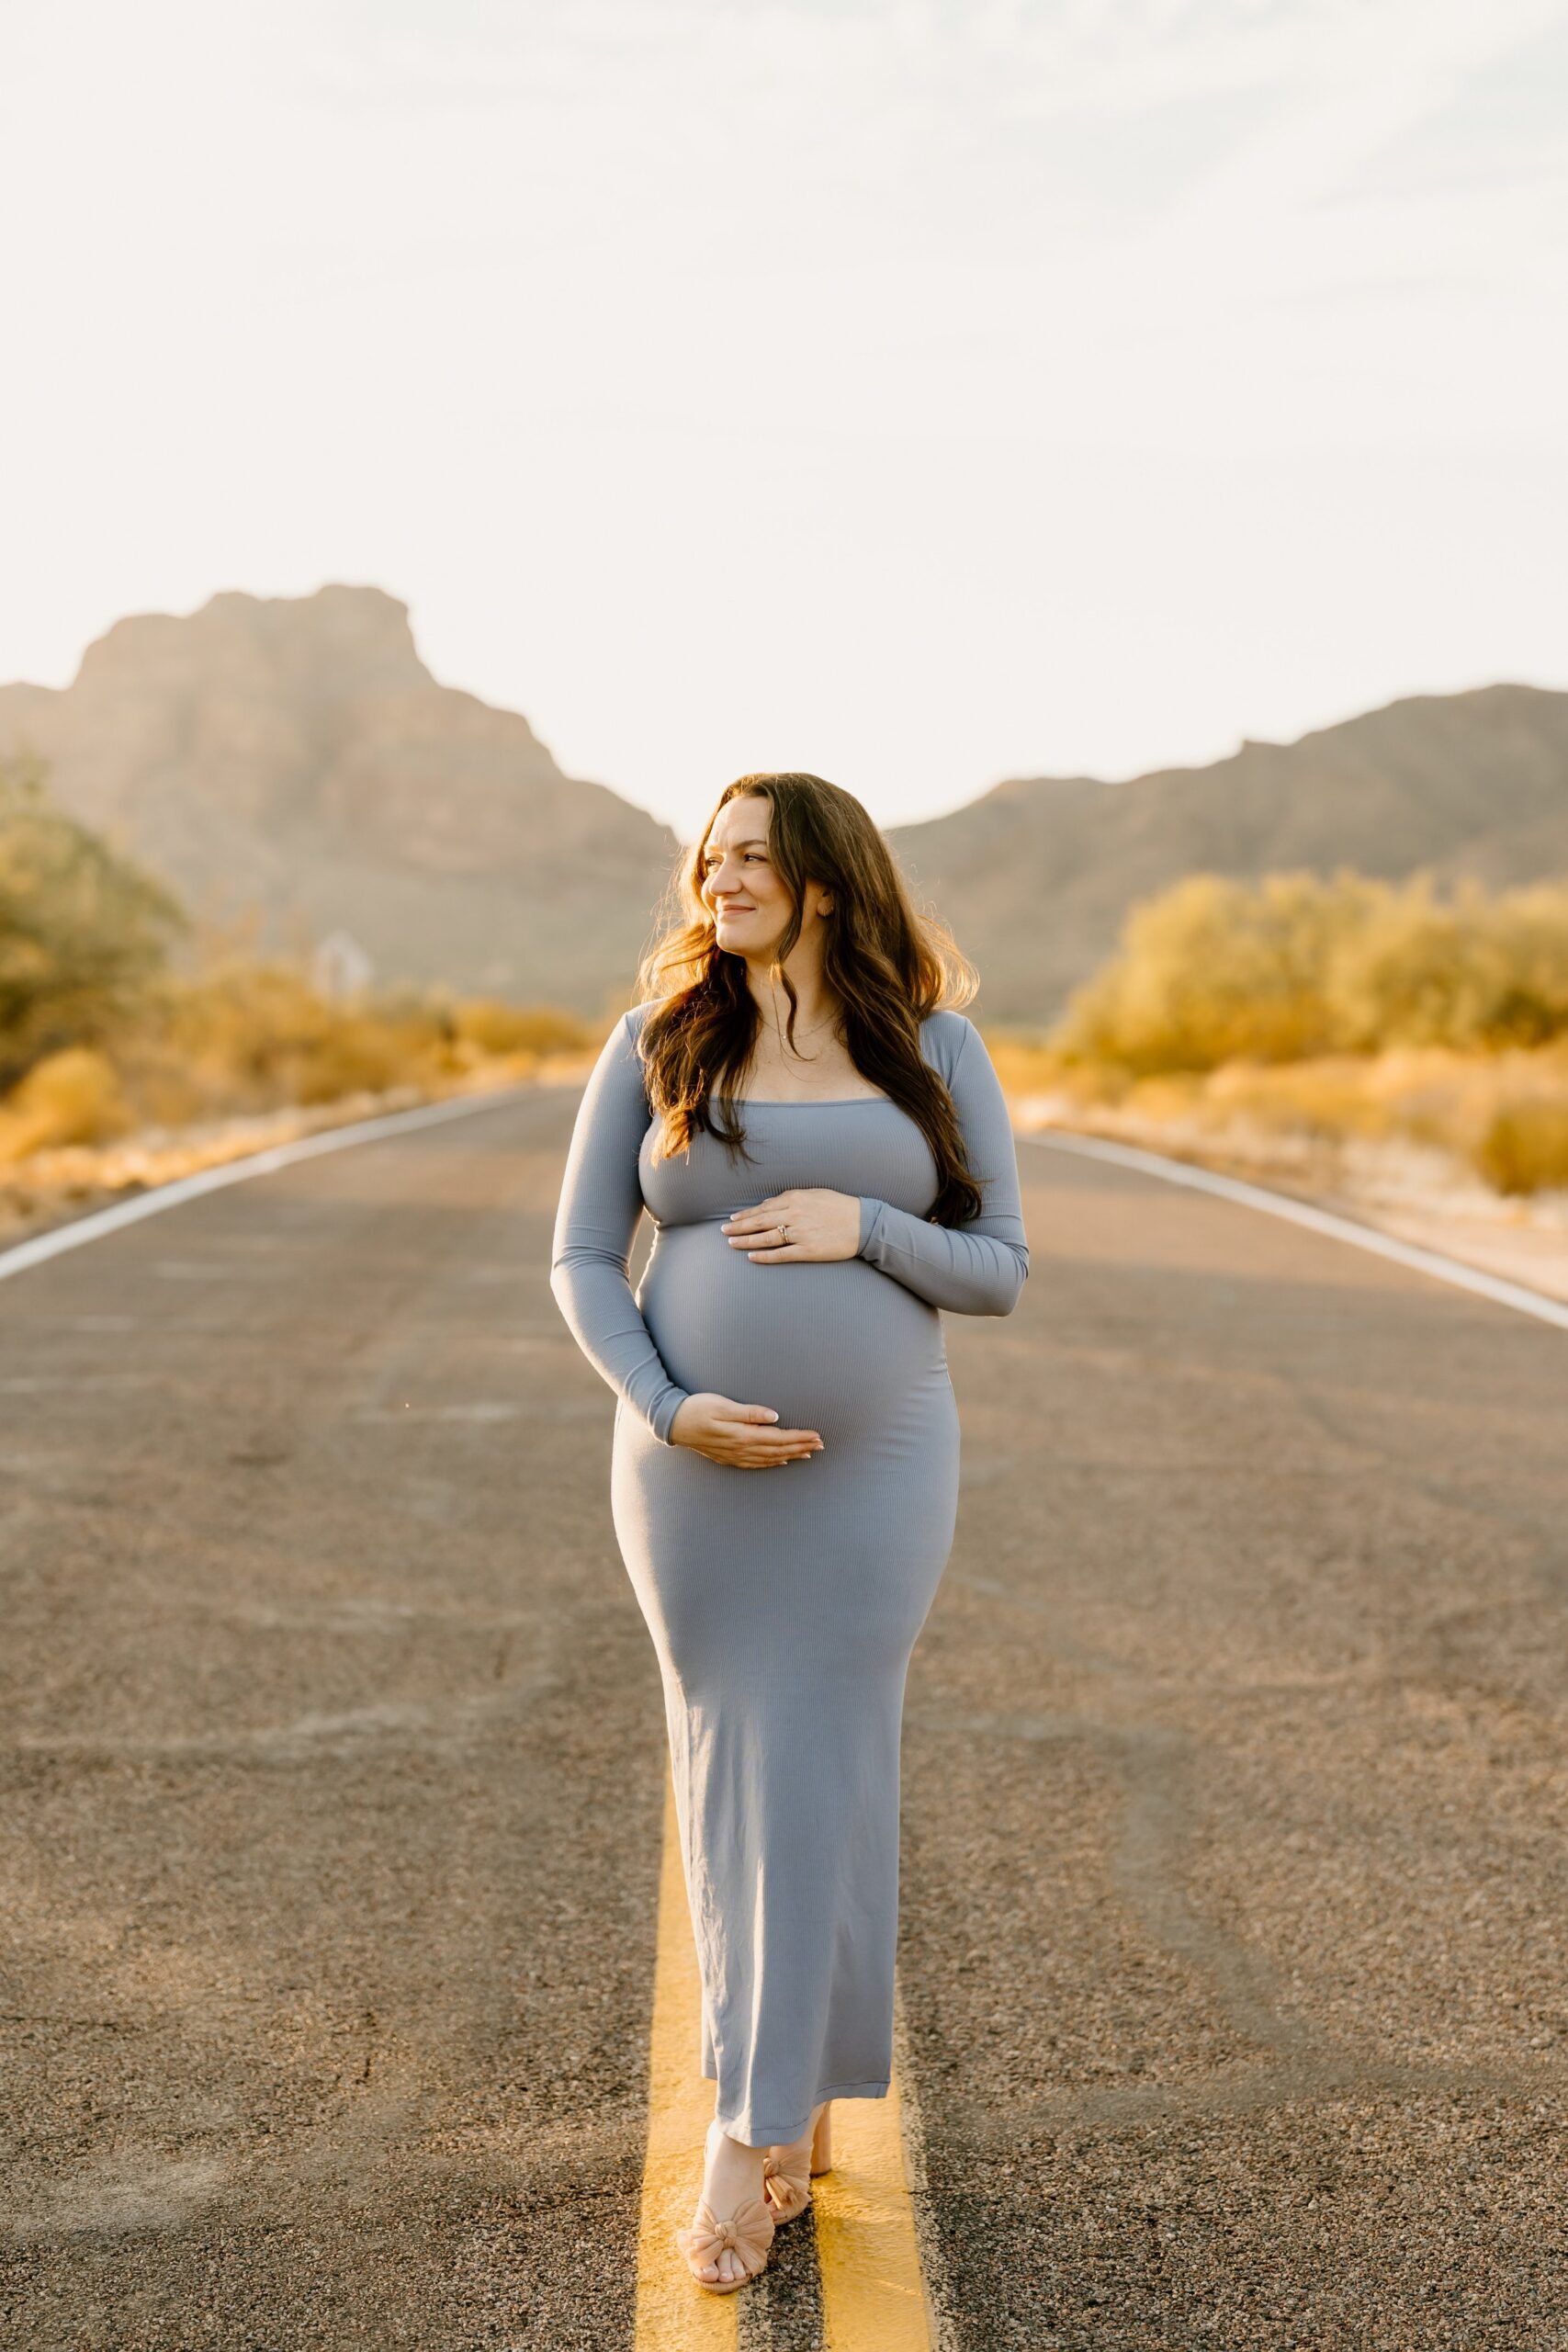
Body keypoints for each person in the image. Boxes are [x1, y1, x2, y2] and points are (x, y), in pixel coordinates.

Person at [548, 770, 1030, 2294]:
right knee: (729, 1770)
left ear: (825, 878)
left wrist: (864, 1225)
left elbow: (1002, 1266)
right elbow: (576, 1256)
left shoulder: (934, 1050)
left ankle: (753, 2124)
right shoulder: (660, 1040)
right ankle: (772, 2111)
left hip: (877, 1466)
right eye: (710, 858)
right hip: (689, 1472)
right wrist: (662, 1400)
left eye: (752, 857)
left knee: (829, 1761)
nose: (721, 880)